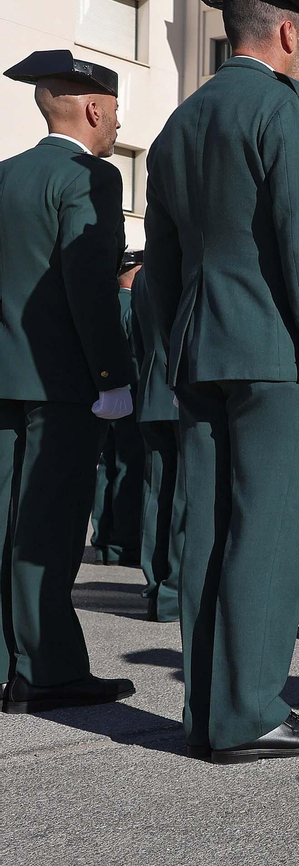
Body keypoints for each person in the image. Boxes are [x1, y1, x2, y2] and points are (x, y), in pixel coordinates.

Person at [143, 0, 299, 761]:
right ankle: (251, 712)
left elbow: (161, 261)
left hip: (201, 349)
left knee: (208, 531)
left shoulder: (180, 122)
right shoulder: (289, 106)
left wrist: (174, 347)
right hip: (275, 352)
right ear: (288, 32)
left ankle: (207, 710)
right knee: (269, 530)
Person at [0, 50, 137, 714]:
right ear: (93, 109)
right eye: (115, 112)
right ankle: (47, 672)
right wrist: (112, 374)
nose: (118, 125)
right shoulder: (92, 176)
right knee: (49, 534)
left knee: (3, 527)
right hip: (61, 385)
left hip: (5, 378)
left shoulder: (5, 175)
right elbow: (91, 285)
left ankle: (6, 666)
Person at [131, 242, 182, 622]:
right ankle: (175, 590)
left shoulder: (142, 275)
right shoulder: (184, 261)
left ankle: (155, 587)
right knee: (184, 497)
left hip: (151, 391)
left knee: (156, 493)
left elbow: (138, 340)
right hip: (182, 390)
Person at [91, 252, 145, 567]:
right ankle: (123, 542)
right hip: (130, 397)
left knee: (107, 466)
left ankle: (103, 541)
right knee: (127, 467)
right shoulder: (132, 306)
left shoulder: (109, 305)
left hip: (107, 396)